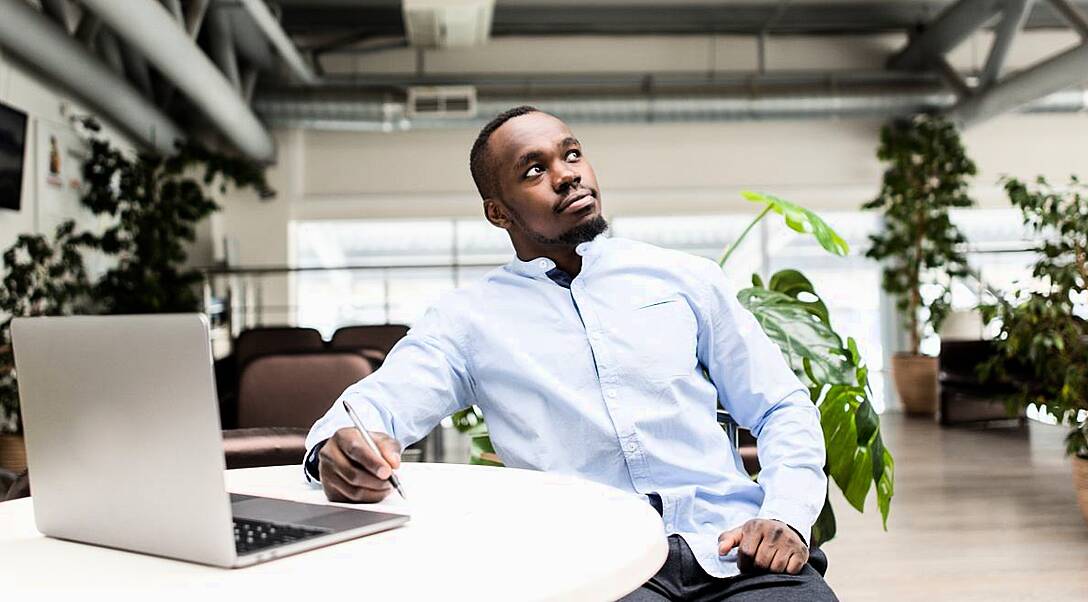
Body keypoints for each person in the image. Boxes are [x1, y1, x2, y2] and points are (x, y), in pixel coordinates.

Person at [303, 106, 838, 601]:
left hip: (733, 553)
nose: (567, 174)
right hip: (594, 567)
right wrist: (340, 449)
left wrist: (787, 513)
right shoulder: (469, 320)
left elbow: (782, 405)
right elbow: (370, 409)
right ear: (497, 211)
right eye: (533, 170)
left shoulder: (686, 279)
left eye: (572, 154)